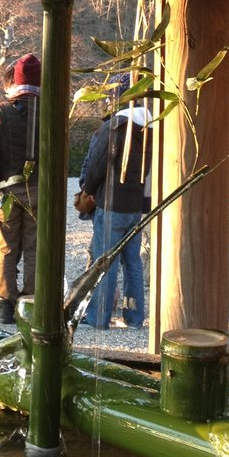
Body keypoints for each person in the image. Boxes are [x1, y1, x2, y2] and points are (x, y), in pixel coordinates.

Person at [79, 75, 152, 328]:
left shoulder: (116, 126)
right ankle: (134, 318)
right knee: (132, 262)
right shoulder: (154, 126)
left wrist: (88, 189)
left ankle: (99, 318)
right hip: (137, 205)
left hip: (111, 203)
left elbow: (97, 165)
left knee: (104, 262)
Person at [0, 54, 41, 324]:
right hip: (40, 190)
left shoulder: (2, 110)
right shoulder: (51, 109)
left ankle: (6, 304)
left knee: (6, 247)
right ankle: (30, 302)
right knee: (34, 247)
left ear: (16, 80)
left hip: (7, 189)